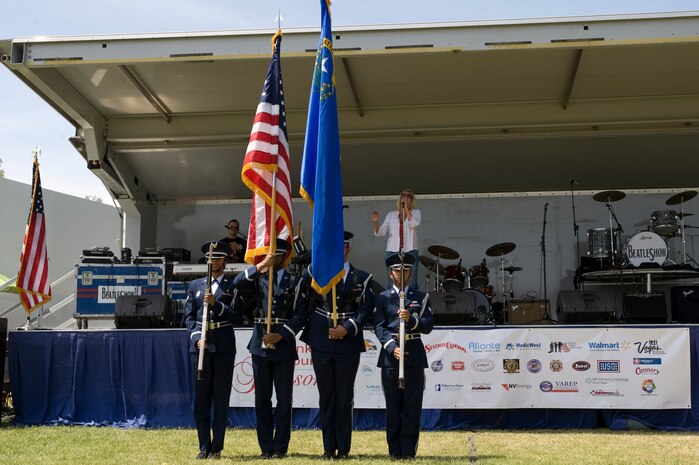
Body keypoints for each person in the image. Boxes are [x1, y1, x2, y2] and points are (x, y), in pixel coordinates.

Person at [297, 232, 375, 460]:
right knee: (326, 396)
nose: (336, 251)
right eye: (332, 247)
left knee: (344, 396)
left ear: (347, 250)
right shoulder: (316, 273)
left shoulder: (363, 278)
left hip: (348, 343)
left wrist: (347, 328)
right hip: (321, 340)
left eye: (340, 247)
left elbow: (366, 310)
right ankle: (328, 447)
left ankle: (343, 447)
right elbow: (304, 292)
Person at [229, 238, 305, 459]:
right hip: (260, 344)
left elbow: (300, 314)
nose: (272, 259)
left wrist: (281, 335)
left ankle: (280, 447)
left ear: (283, 256)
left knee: (283, 399)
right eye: (269, 256)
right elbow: (236, 284)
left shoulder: (294, 281)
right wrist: (260, 266)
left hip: (283, 344)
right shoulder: (258, 277)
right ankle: (265, 447)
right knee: (262, 398)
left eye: (276, 256)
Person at [372, 253, 433, 460]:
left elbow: (428, 325)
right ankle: (394, 450)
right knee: (393, 405)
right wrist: (391, 348)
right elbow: (379, 327)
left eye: (406, 269)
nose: (402, 273)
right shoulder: (382, 298)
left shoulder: (421, 297)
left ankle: (408, 450)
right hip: (391, 358)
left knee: (412, 406)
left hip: (414, 355)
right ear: (391, 273)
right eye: (397, 270)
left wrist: (412, 319)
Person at [185, 241, 240, 460]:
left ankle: (217, 447)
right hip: (200, 348)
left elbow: (237, 315)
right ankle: (203, 446)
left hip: (224, 345)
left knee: (220, 397)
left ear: (225, 261)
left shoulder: (232, 286)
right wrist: (197, 338)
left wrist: (216, 305)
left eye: (217, 258)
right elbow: (188, 318)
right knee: (201, 399)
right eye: (211, 258)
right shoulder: (195, 285)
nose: (213, 261)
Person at [371, 189, 421, 289]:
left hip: (410, 250)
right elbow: (380, 233)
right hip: (392, 251)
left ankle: (413, 303)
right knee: (392, 281)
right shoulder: (391, 215)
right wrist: (375, 222)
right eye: (403, 196)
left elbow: (414, 224)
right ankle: (392, 303)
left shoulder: (416, 212)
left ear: (412, 200)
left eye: (408, 196)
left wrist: (406, 207)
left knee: (412, 281)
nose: (405, 198)